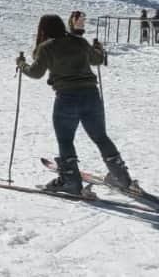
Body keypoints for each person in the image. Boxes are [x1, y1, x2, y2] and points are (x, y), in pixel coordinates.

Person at [16, 15, 133, 195]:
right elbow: (97, 60)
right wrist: (97, 49)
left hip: (67, 98)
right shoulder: (79, 42)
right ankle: (121, 177)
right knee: (101, 136)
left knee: (65, 139)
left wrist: (21, 64)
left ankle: (70, 180)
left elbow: (35, 73)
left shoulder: (46, 47)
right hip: (91, 95)